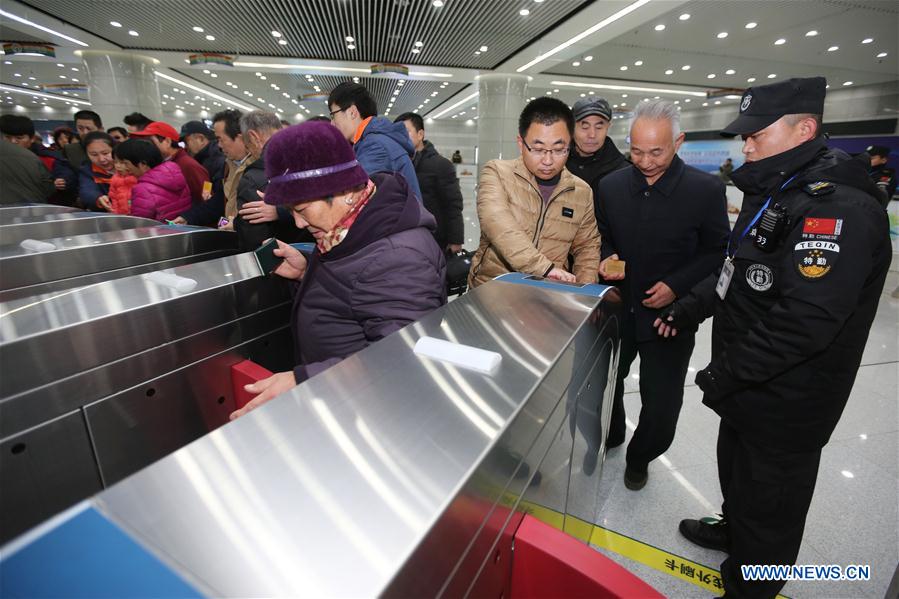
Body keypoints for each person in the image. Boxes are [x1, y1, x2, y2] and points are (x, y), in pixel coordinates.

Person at [658, 77, 891, 599]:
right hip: (748, 384)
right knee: (739, 477)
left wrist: (722, 372)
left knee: (772, 501)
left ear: (804, 129)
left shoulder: (838, 209)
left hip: (788, 398)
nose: (746, 147)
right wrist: (692, 307)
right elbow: (737, 270)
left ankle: (753, 584)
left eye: (756, 135)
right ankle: (736, 531)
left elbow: (803, 323)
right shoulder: (781, 190)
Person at [229, 121, 446, 418]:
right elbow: (355, 287)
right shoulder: (349, 225)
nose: (298, 224)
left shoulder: (399, 259)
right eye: (291, 211)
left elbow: (400, 358)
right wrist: (307, 271)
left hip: (368, 408)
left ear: (344, 190)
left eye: (302, 210)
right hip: (341, 395)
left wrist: (303, 381)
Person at [596, 100, 729, 491]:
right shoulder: (612, 186)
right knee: (608, 381)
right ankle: (613, 432)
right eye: (636, 151)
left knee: (663, 402)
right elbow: (602, 235)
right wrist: (607, 257)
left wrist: (676, 286)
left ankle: (641, 457)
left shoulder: (705, 190)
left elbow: (716, 252)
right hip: (620, 309)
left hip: (670, 316)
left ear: (679, 142)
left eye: (657, 151)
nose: (646, 161)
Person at [467, 97, 600, 288]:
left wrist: (584, 293)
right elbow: (499, 225)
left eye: (559, 149)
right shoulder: (497, 172)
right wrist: (545, 270)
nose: (548, 160)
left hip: (547, 296)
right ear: (521, 143)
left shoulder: (581, 191)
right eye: (538, 149)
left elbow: (587, 247)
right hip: (492, 290)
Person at [327, 82, 422, 200]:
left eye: (333, 115)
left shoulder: (374, 146)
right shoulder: (372, 141)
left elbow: (353, 198)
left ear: (352, 112)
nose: (332, 123)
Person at [234, 110, 306, 250]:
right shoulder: (309, 155)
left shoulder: (254, 178)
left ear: (254, 137)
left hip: (281, 263)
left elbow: (253, 241)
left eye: (248, 147)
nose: (251, 154)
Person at [394, 112, 464, 252]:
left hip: (435, 239)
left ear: (420, 134)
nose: (400, 137)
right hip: (405, 239)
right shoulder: (397, 163)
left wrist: (455, 241)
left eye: (405, 132)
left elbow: (453, 205)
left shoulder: (441, 165)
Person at [1, 114, 78, 206]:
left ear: (32, 139)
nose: (13, 142)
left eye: (19, 138)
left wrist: (62, 182)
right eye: (8, 137)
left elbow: (66, 179)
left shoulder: (49, 158)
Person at [130, 121, 210, 204]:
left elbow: (206, 197)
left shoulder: (188, 165)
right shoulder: (162, 164)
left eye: (150, 142)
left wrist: (189, 216)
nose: (146, 147)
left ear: (167, 141)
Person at [114, 139, 192, 222]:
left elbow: (139, 223)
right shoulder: (173, 172)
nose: (125, 167)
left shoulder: (142, 189)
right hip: (180, 228)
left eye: (126, 163)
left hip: (159, 232)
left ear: (143, 164)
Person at [566, 97, 627, 201]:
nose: (592, 135)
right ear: (571, 126)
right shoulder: (556, 165)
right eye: (585, 127)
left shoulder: (623, 173)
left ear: (608, 126)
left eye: (599, 127)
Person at [0, 138, 54, 203]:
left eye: (20, 138)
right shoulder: (32, 157)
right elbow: (48, 187)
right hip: (32, 207)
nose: (14, 141)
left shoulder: (35, 156)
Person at [78, 131, 116, 210]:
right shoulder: (87, 171)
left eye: (105, 153)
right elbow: (87, 190)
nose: (101, 159)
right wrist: (97, 198)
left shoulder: (128, 166)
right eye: (94, 155)